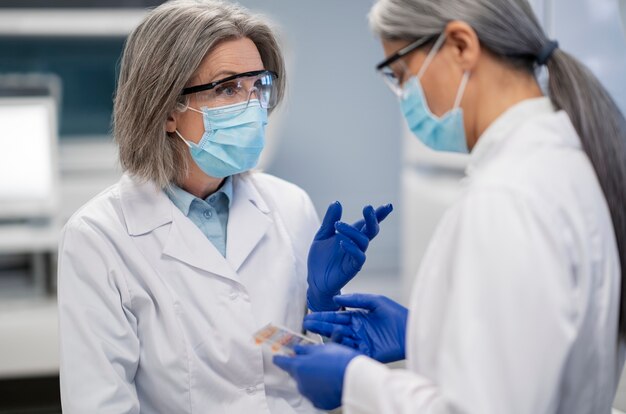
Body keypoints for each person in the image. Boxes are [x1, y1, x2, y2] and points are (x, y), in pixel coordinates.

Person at [274, 0, 626, 412]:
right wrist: (426, 333)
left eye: (401, 74)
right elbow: (532, 346)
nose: (403, 96)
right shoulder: (562, 162)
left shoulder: (508, 196)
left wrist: (354, 381)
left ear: (461, 45)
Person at [57, 0, 391, 412]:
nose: (252, 107)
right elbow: (100, 403)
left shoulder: (291, 206)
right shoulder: (98, 237)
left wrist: (322, 308)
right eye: (228, 88)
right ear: (166, 110)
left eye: (258, 87)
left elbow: (310, 373)